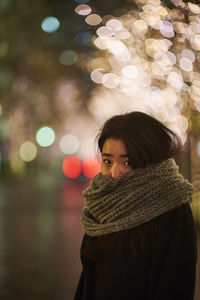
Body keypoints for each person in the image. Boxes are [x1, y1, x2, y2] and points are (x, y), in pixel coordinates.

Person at [74, 111, 197, 300]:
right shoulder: (101, 208)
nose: (115, 173)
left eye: (128, 162)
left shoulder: (172, 209)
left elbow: (175, 287)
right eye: (107, 161)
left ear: (150, 161)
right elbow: (88, 283)